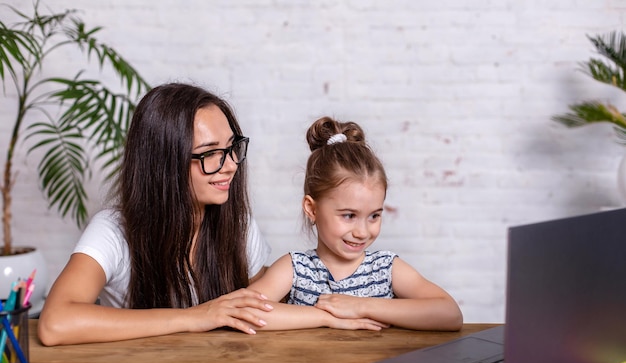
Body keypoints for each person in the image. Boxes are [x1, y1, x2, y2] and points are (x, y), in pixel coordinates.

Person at [37, 82, 278, 345]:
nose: (231, 165)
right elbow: (55, 323)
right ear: (164, 163)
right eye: (210, 153)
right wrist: (193, 318)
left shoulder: (238, 225)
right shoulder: (112, 231)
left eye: (232, 148)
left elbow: (264, 304)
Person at [248, 116, 463, 331]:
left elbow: (450, 314)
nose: (362, 232)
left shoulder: (385, 269)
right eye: (349, 216)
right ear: (312, 209)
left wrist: (361, 306)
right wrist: (328, 317)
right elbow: (246, 312)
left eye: (374, 216)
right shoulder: (295, 268)